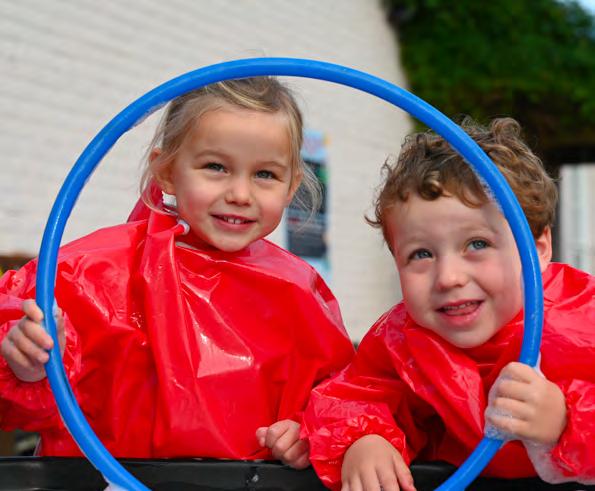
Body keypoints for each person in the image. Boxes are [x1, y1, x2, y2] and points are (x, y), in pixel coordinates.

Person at [0, 77, 354, 467]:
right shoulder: (87, 275)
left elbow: (340, 398)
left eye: (265, 174)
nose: (240, 194)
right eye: (216, 167)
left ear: (291, 186)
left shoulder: (298, 290)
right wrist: (26, 367)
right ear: (166, 170)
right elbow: (21, 409)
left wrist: (307, 430)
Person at [302, 117, 595, 490]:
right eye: (421, 254)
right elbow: (353, 396)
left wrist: (567, 421)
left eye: (477, 244)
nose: (448, 277)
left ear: (537, 250)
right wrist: (364, 439)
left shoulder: (581, 320)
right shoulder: (403, 337)